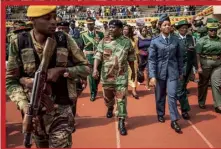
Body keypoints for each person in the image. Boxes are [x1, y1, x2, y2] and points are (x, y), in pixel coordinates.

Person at [6, 6, 91, 148]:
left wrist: (63, 70)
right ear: (32, 20)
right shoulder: (19, 43)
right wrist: (25, 106)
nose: (54, 21)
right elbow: (11, 81)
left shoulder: (64, 39)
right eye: (47, 18)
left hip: (61, 109)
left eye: (54, 17)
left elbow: (86, 68)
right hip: (34, 113)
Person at [93, 20, 136, 135]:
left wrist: (134, 72)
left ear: (120, 29)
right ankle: (110, 107)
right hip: (107, 75)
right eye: (109, 27)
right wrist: (95, 69)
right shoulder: (104, 41)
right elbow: (98, 55)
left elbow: (131, 58)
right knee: (108, 97)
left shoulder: (127, 42)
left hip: (121, 76)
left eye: (113, 27)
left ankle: (121, 121)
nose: (110, 29)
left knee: (121, 99)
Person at [148, 14, 184, 133]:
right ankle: (160, 113)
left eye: (169, 24)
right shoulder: (155, 41)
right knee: (160, 95)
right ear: (160, 27)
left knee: (172, 95)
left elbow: (179, 57)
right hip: (159, 72)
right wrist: (152, 76)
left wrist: (180, 71)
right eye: (164, 25)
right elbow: (152, 60)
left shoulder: (176, 40)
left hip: (173, 72)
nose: (167, 26)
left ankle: (174, 120)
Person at [195, 18, 221, 115]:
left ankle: (218, 105)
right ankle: (201, 101)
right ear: (207, 30)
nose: (213, 32)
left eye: (215, 30)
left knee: (217, 84)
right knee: (203, 84)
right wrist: (199, 67)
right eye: (211, 30)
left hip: (218, 63)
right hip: (205, 62)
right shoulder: (202, 41)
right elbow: (197, 54)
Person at [175, 19, 197, 120]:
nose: (184, 29)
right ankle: (185, 110)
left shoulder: (190, 38)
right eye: (182, 27)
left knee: (182, 87)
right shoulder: (174, 39)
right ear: (178, 29)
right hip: (178, 69)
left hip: (188, 68)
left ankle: (175, 99)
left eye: (186, 27)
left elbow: (193, 55)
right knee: (181, 89)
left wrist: (195, 69)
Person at [81, 17, 104, 101]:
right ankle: (93, 93)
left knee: (98, 75)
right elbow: (81, 46)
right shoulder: (83, 34)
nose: (90, 25)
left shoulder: (100, 34)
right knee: (91, 76)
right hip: (89, 57)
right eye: (88, 24)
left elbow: (104, 45)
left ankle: (96, 87)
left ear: (94, 24)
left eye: (91, 24)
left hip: (99, 57)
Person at [123, 24, 139, 99]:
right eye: (124, 29)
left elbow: (136, 50)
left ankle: (133, 90)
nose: (125, 31)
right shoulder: (121, 39)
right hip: (124, 59)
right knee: (124, 74)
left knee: (134, 74)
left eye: (126, 29)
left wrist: (139, 59)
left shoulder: (135, 39)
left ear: (129, 30)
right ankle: (125, 90)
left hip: (133, 59)